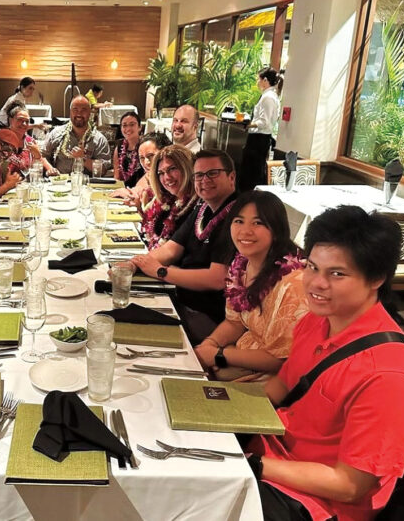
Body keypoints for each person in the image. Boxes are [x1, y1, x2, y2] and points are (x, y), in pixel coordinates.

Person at [245, 205, 404, 521]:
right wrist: (214, 408)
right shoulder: (318, 321)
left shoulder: (391, 375)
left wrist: (253, 463)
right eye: (312, 267)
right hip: (271, 454)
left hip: (313, 504)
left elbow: (349, 486)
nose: (316, 284)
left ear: (377, 279)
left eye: (337, 274)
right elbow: (280, 387)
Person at [194, 190, 307, 382]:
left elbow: (281, 360)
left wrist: (218, 355)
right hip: (244, 356)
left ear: (276, 229)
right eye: (239, 221)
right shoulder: (242, 265)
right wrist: (209, 345)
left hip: (276, 378)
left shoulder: (293, 282)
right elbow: (234, 322)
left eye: (258, 223)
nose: (245, 231)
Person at [129, 149, 238, 342]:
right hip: (179, 297)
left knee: (132, 332)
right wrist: (133, 264)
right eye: (199, 175)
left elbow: (217, 279)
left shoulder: (238, 217)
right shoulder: (203, 207)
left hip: (205, 314)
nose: (204, 180)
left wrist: (161, 272)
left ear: (231, 177)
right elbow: (171, 249)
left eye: (212, 173)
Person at [137, 145, 198, 250]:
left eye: (172, 169)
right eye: (161, 173)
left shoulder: (197, 206)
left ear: (187, 168)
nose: (167, 177)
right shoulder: (166, 199)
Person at [43, 95, 110, 175]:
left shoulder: (99, 140)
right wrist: (50, 169)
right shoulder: (56, 133)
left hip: (87, 182)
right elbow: (42, 155)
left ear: (90, 113)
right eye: (75, 109)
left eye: (83, 110)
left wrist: (83, 159)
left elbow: (103, 170)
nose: (79, 113)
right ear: (70, 112)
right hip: (59, 180)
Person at [239, 67, 282, 192]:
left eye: (259, 79)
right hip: (260, 139)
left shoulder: (268, 97)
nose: (257, 82)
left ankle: (250, 197)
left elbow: (264, 122)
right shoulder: (270, 96)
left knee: (252, 172)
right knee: (252, 171)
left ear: (265, 80)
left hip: (259, 139)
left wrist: (248, 125)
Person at [110, 132, 171, 205]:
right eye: (142, 158)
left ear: (164, 153)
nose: (146, 162)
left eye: (151, 156)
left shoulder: (171, 178)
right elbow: (137, 190)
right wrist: (128, 193)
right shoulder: (148, 175)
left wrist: (133, 198)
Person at [0, 102, 53, 176]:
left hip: (25, 182)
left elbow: (40, 160)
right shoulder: (1, 138)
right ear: (10, 120)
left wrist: (51, 170)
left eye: (27, 121)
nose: (24, 124)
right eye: (20, 120)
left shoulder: (30, 141)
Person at [112, 112, 143, 185]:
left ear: (140, 127)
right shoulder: (119, 147)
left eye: (132, 124)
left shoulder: (145, 146)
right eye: (124, 125)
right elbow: (117, 175)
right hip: (124, 188)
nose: (128, 129)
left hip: (143, 188)